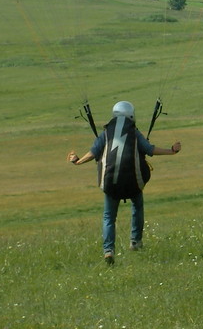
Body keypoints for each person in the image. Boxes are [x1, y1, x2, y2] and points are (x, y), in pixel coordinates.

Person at [67, 100, 182, 265]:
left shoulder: (106, 133)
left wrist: (77, 162)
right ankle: (135, 241)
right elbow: (150, 150)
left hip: (110, 184)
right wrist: (171, 151)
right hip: (133, 184)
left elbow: (92, 153)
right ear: (131, 115)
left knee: (108, 216)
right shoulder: (134, 133)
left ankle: (108, 251)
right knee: (137, 206)